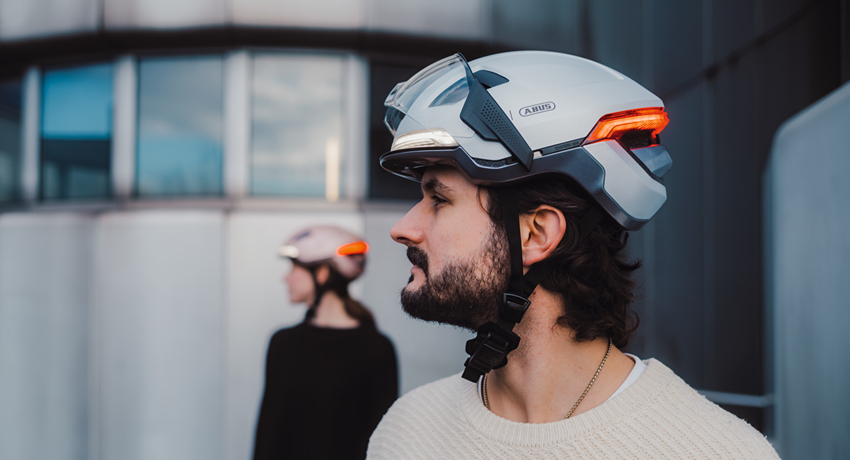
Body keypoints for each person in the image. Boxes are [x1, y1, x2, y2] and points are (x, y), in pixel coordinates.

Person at [367, 51, 779, 459]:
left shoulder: (718, 452)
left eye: (438, 199)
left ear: (536, 234)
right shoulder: (407, 433)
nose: (402, 228)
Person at [253, 225, 398, 460]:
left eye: (294, 267)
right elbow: (269, 431)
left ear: (321, 272)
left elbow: (382, 439)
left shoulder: (377, 349)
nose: (285, 277)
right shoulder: (283, 343)